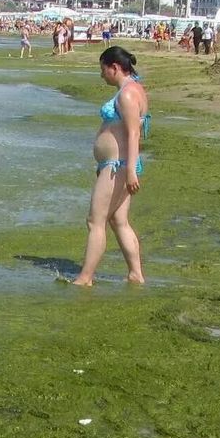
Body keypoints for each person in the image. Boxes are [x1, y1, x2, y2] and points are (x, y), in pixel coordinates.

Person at [72, 46, 150, 287]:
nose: (101, 75)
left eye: (103, 69)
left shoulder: (127, 94)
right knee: (119, 221)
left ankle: (85, 278)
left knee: (95, 221)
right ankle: (135, 274)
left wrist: (128, 172)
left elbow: (134, 133)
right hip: (117, 164)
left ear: (114, 67)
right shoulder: (134, 89)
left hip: (118, 166)